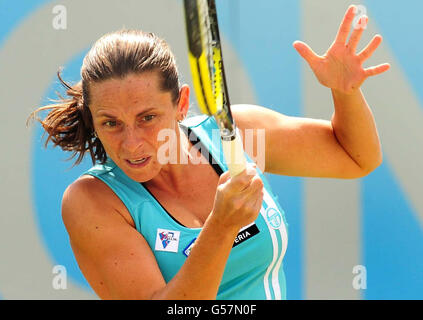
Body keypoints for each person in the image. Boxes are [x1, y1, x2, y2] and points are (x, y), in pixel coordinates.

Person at [30, 5, 389, 300]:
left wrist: (346, 92)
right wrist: (221, 226)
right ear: (92, 119)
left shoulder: (236, 133)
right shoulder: (90, 201)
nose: (131, 142)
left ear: (181, 103)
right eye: (111, 123)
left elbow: (356, 158)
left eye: (147, 118)